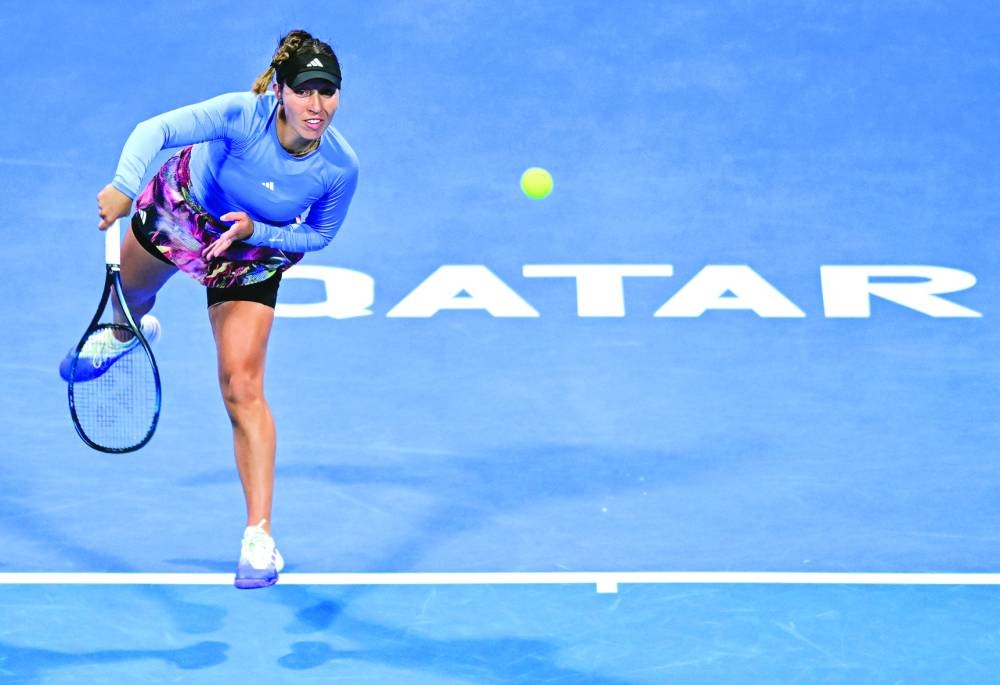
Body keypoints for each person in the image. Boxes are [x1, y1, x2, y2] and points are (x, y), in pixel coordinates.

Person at [60, 29, 359, 589]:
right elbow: (159, 130)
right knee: (133, 296)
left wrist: (259, 230)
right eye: (305, 92)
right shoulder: (241, 116)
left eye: (329, 93)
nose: (318, 107)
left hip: (250, 250)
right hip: (183, 212)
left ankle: (259, 538)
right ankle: (128, 330)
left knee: (240, 385)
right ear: (280, 92)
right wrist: (125, 187)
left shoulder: (339, 168)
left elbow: (318, 237)